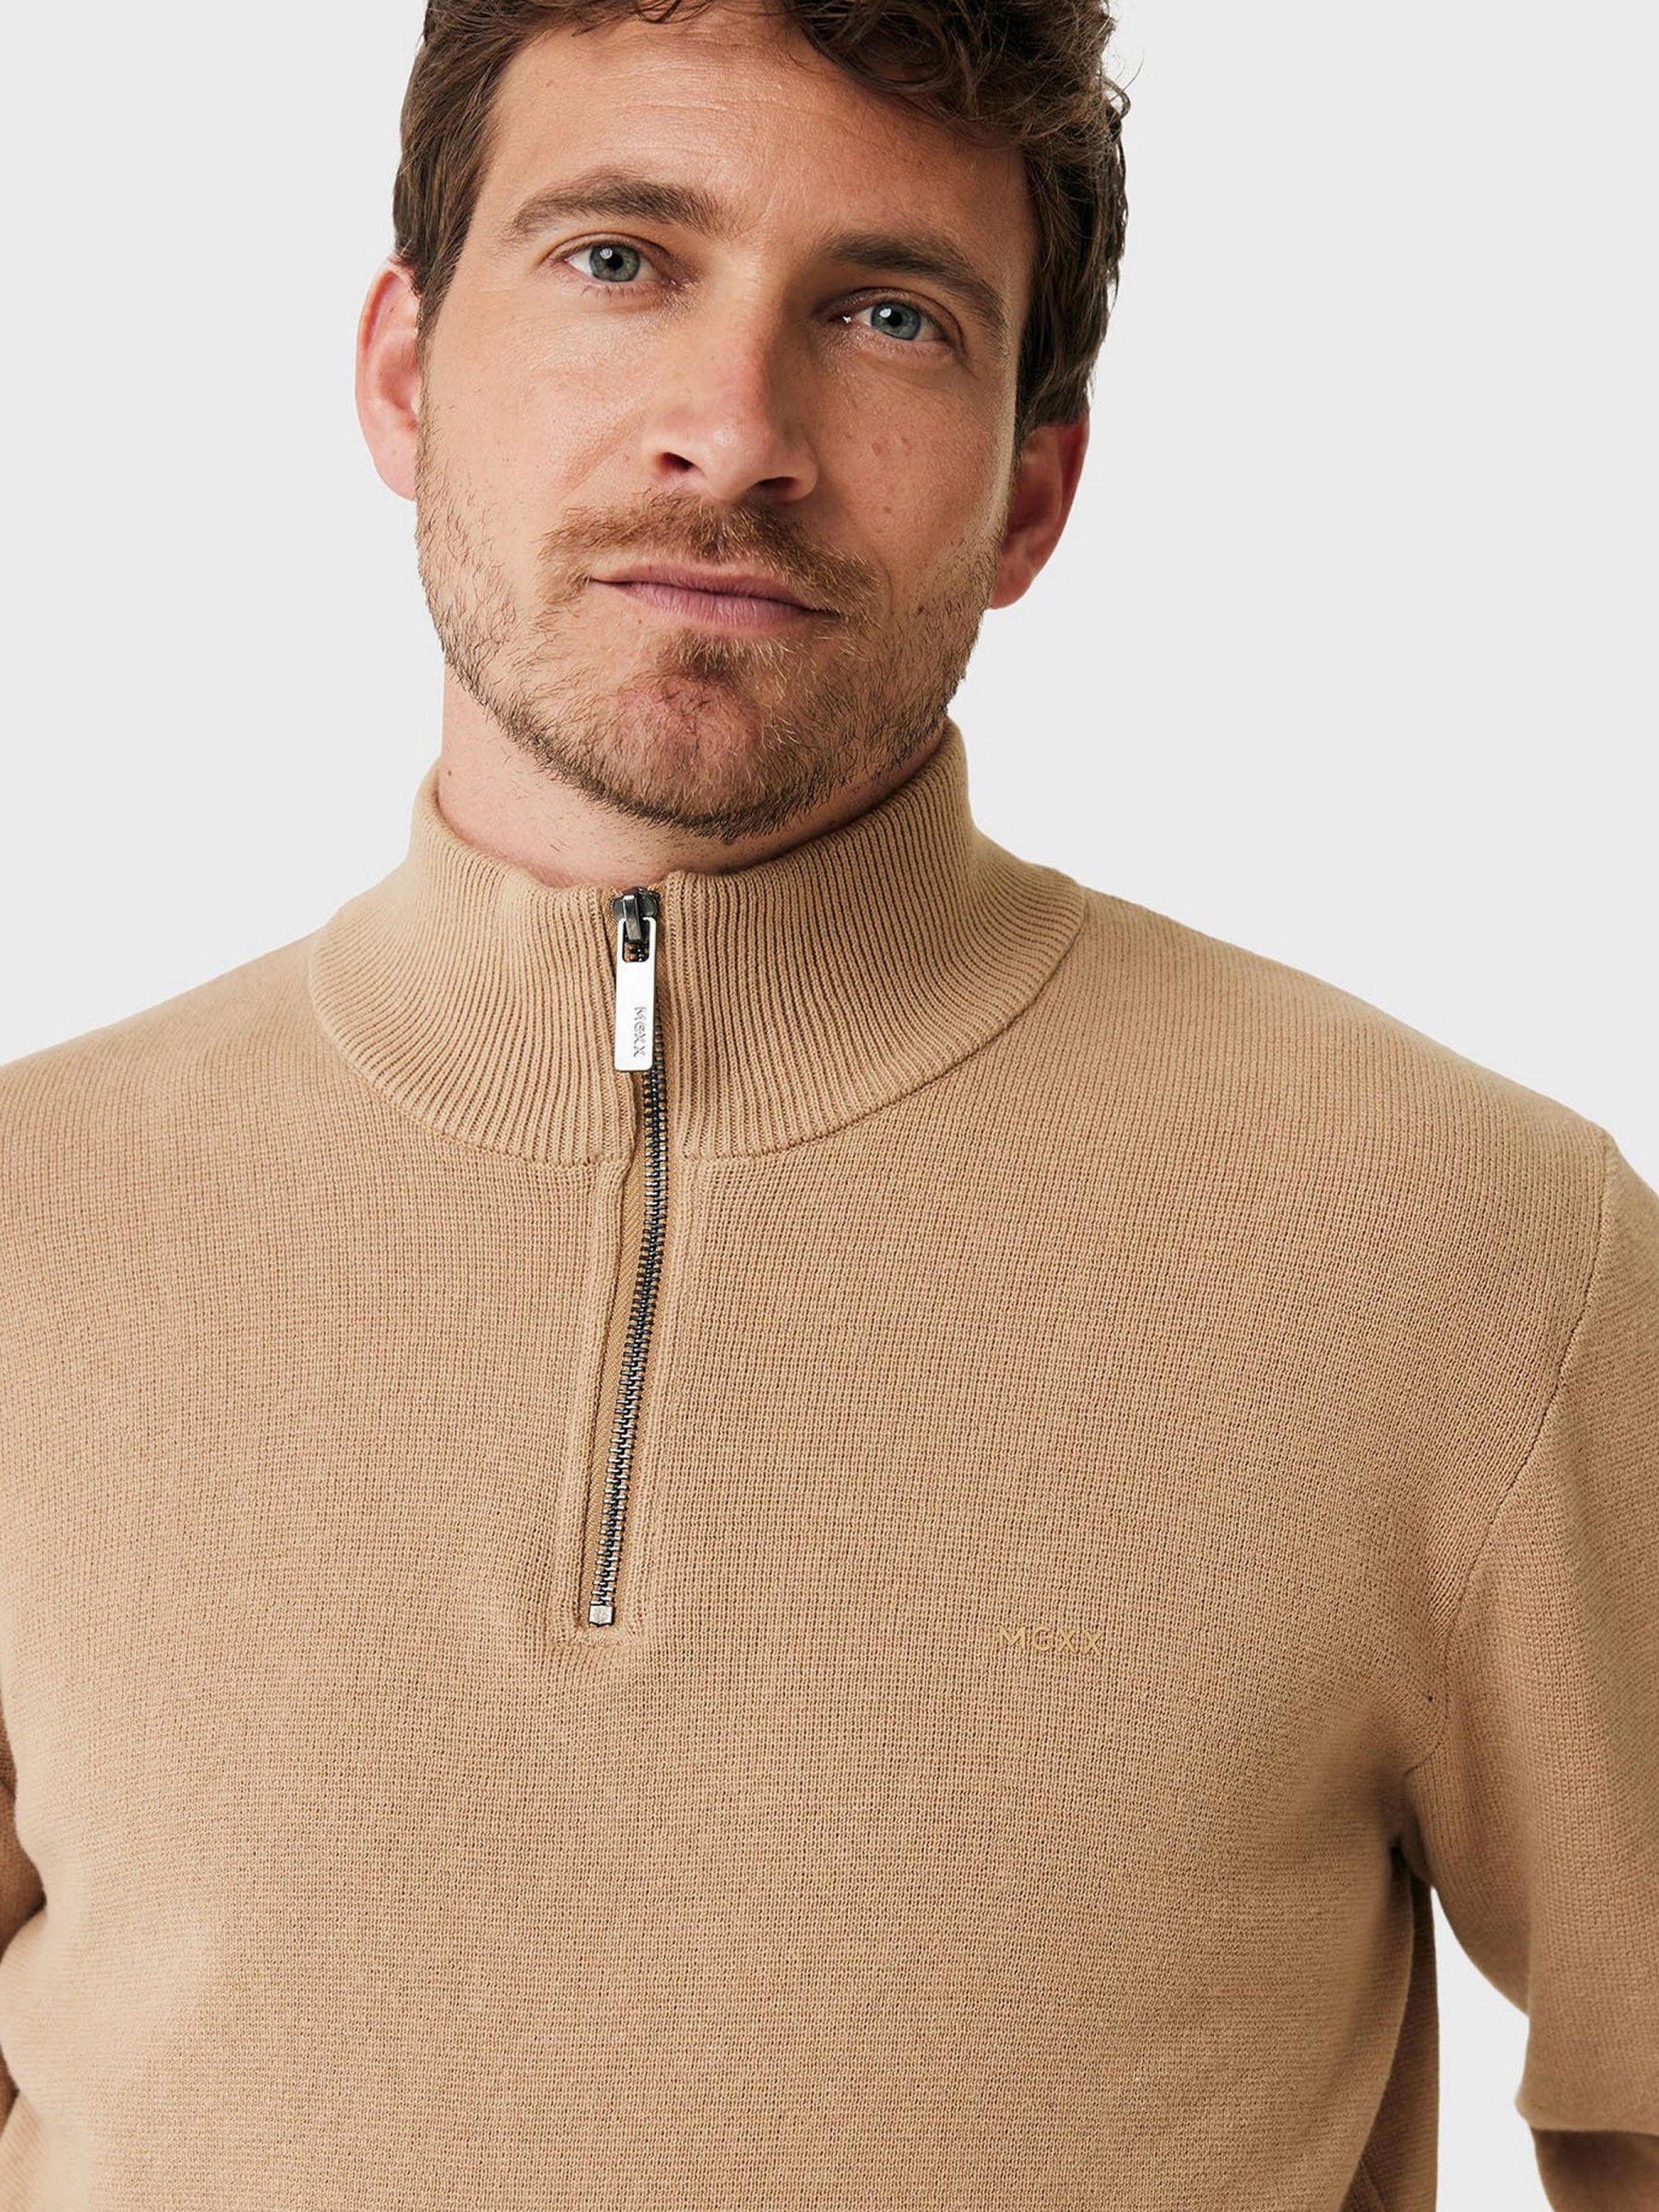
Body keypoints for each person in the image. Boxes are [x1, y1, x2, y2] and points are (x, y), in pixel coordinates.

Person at [0, 0, 1653, 2204]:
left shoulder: (1472, 1247)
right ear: (401, 371)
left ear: (1031, 490)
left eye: (887, 316)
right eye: (618, 259)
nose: (734, 431)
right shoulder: (33, 1222)